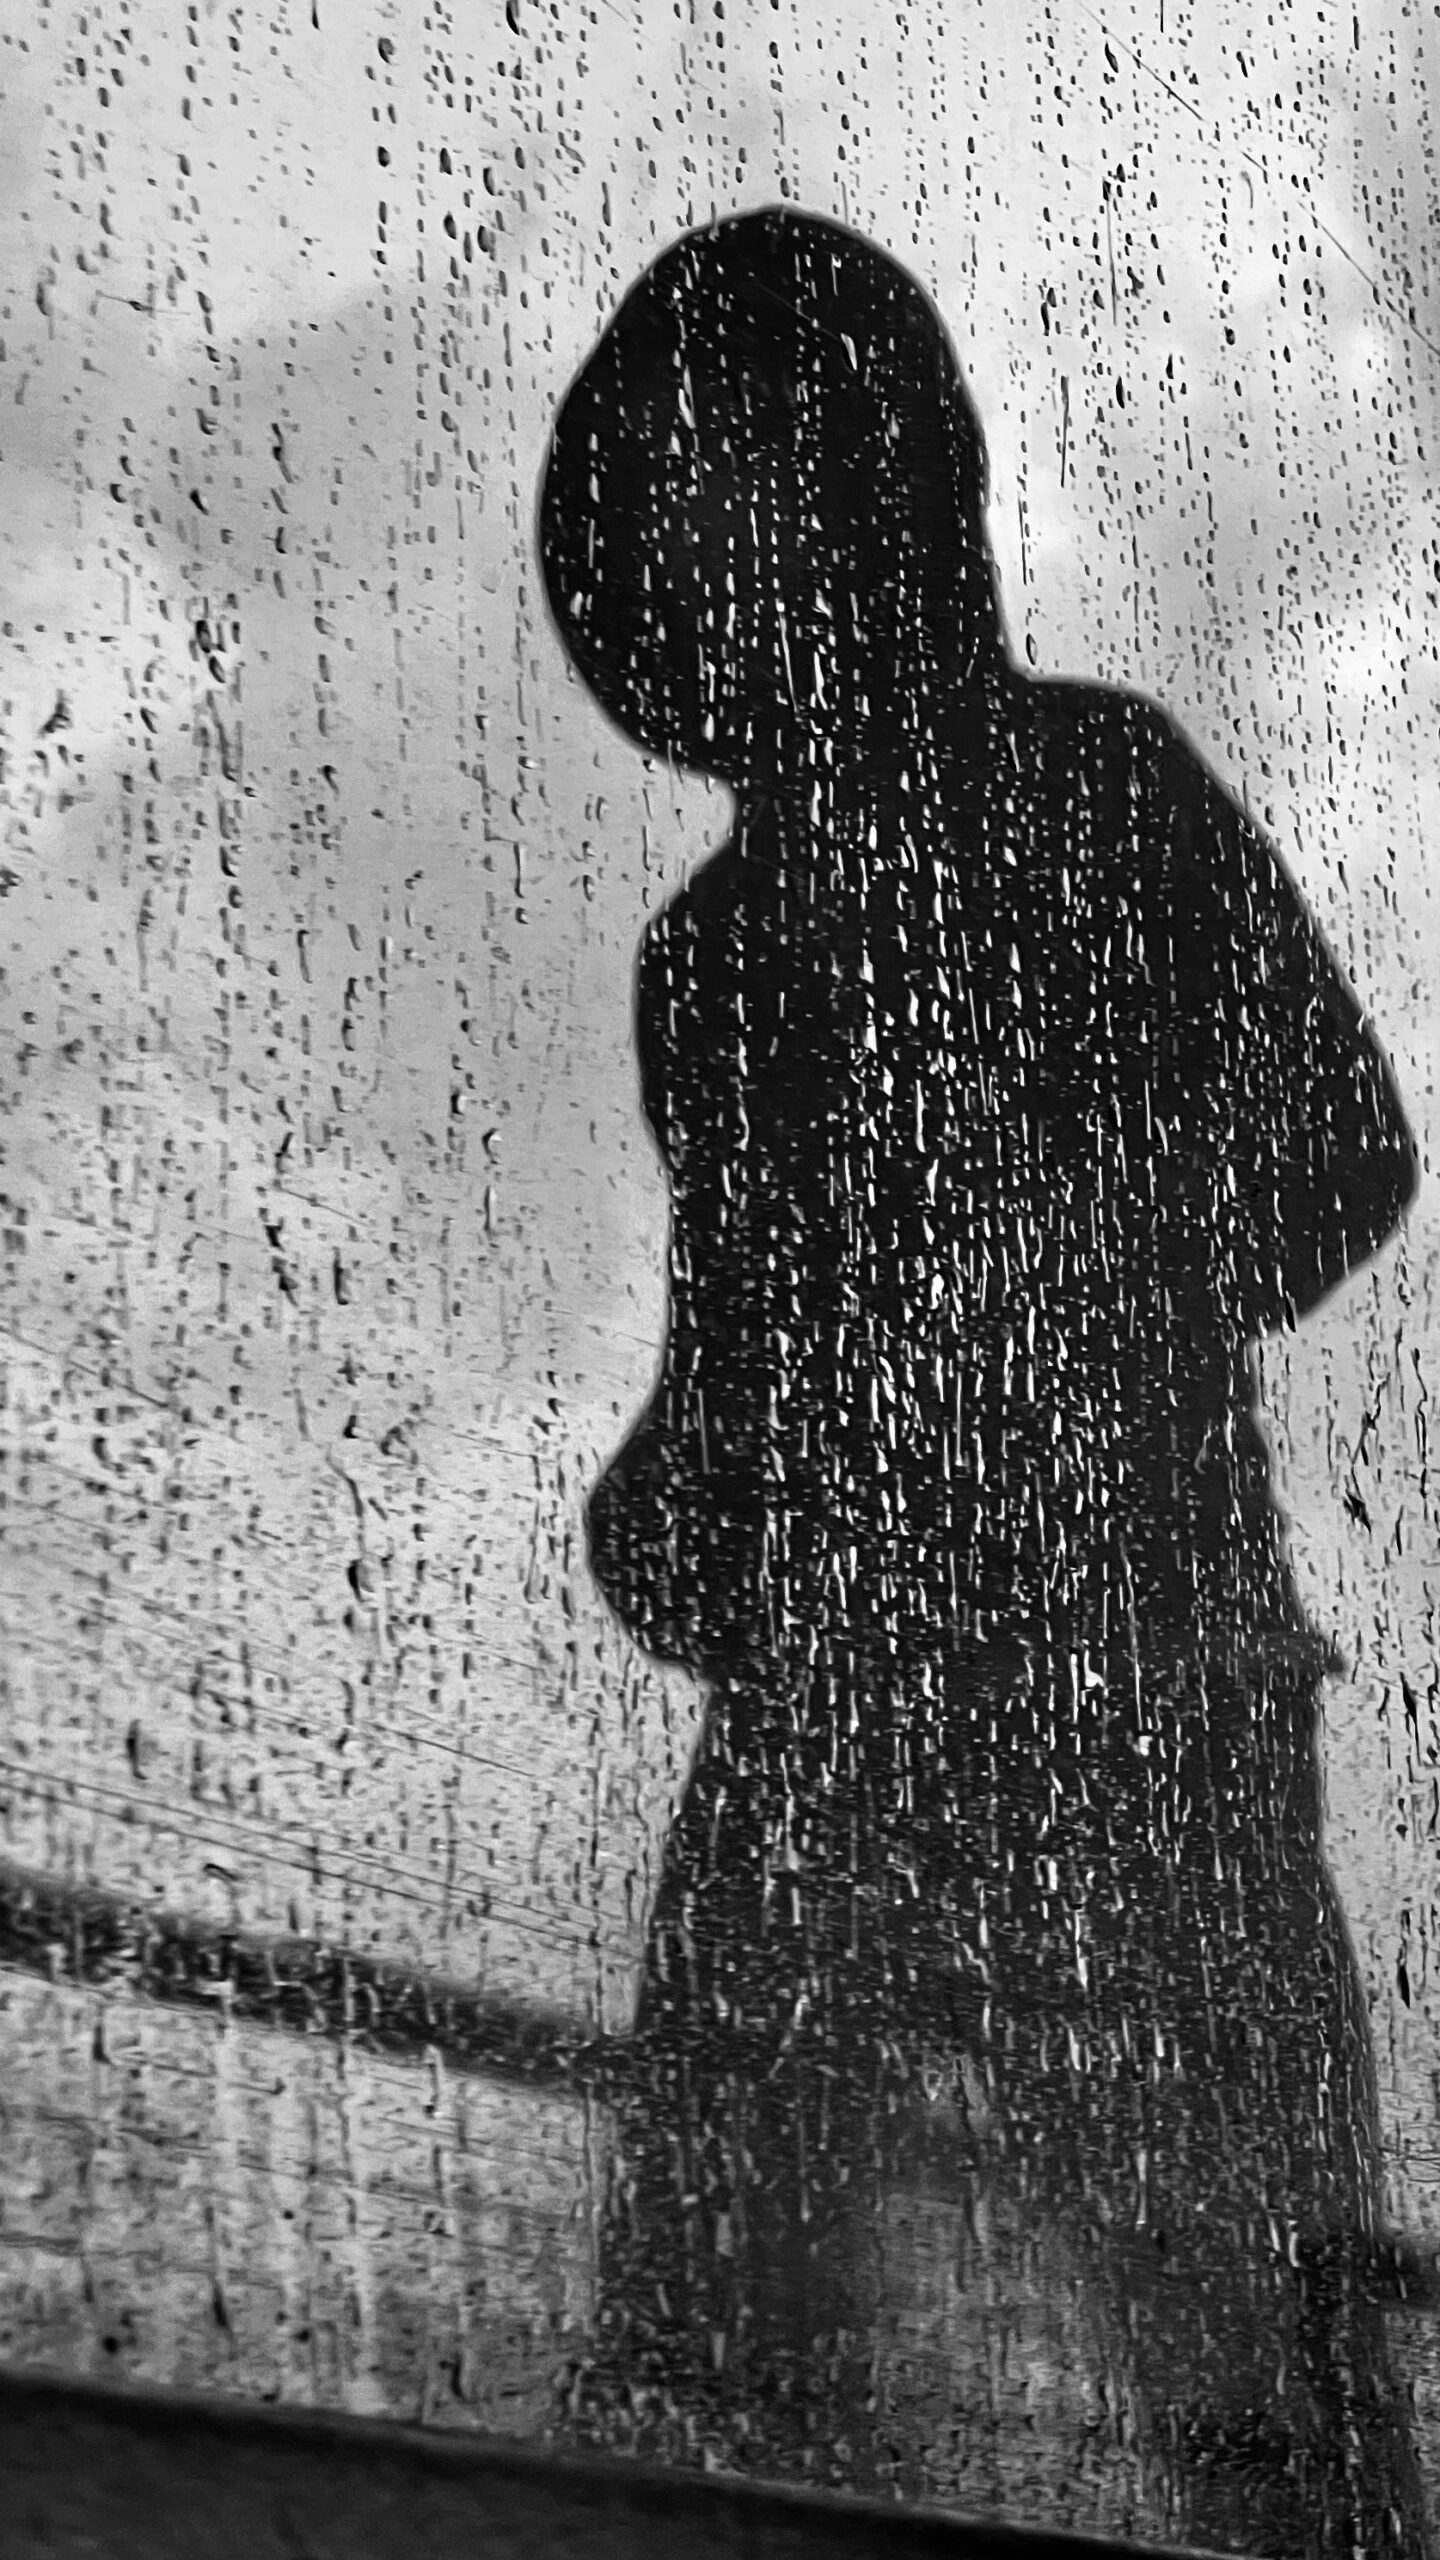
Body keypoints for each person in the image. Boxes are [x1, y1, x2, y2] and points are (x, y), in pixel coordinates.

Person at [540, 206, 1427, 2555]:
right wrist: (678, 1505)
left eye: (756, 501)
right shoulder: (709, 967)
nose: (727, 581)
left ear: (897, 495)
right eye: (671, 529)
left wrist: (1083, 1300)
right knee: (721, 2344)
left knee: (1263, 2374)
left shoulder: (1099, 786)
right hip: (827, 1747)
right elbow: (730, 1383)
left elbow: (1346, 1147)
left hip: (1147, 1710)